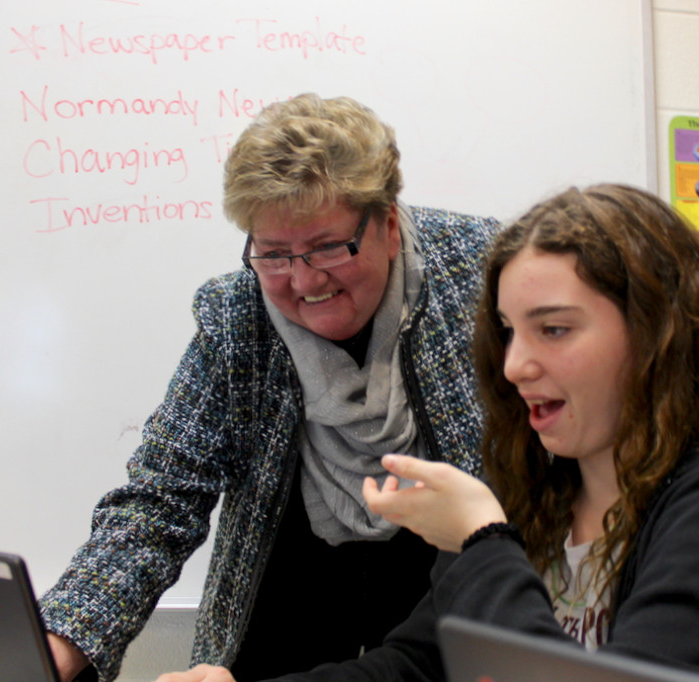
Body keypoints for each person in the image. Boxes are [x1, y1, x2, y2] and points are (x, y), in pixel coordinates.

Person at [157, 183, 699, 682]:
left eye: (555, 329)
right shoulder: (535, 490)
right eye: (508, 332)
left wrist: (482, 540)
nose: (515, 365)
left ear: (656, 336)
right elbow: (417, 665)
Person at [39, 93, 501, 682]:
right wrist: (61, 637)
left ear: (386, 224)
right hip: (287, 604)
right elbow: (160, 497)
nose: (304, 280)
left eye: (328, 247)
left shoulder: (481, 273)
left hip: (445, 607)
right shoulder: (238, 315)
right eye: (275, 254)